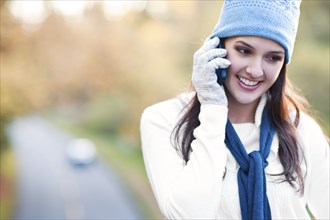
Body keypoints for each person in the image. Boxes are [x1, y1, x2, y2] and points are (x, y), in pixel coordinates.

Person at [140, 1, 329, 219]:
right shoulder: (164, 119)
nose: (255, 70)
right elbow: (190, 215)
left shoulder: (301, 130)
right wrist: (212, 108)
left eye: (273, 57)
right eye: (244, 51)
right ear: (216, 47)